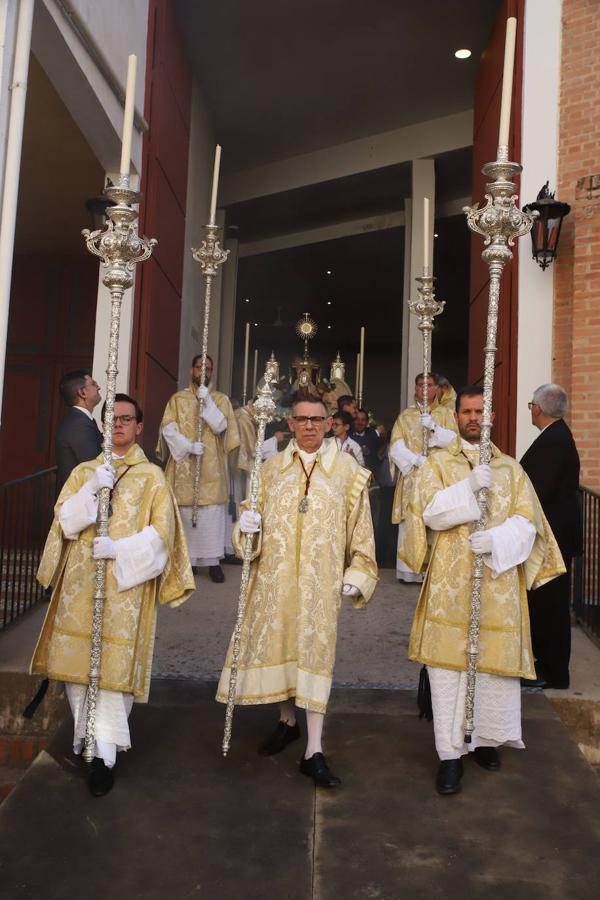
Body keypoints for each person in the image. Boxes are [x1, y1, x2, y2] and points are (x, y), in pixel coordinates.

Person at [400, 386, 564, 794]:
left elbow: (530, 523)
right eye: (467, 411)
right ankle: (450, 755)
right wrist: (469, 488)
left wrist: (498, 539)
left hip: (497, 584)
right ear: (455, 416)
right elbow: (429, 515)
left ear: (489, 418)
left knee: (492, 669)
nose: (473, 418)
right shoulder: (437, 463)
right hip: (449, 586)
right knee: (447, 671)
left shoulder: (511, 469)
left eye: (480, 412)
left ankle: (484, 740)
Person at [31, 394, 195, 797]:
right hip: (80, 585)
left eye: (127, 419)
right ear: (104, 426)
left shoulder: (151, 477)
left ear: (140, 427)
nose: (119, 424)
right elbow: (64, 524)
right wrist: (90, 493)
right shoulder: (85, 471)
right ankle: (87, 742)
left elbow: (163, 536)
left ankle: (105, 755)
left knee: (111, 676)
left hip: (124, 588)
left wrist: (120, 549)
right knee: (76, 671)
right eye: (112, 419)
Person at [216, 393, 378, 787]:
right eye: (301, 419)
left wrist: (357, 571)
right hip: (275, 578)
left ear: (328, 423)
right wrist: (246, 530)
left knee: (315, 657)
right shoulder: (268, 470)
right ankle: (287, 722)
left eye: (316, 419)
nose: (309, 425)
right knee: (282, 647)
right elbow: (246, 539)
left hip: (319, 583)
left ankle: (315, 750)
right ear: (289, 424)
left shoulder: (347, 471)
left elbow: (361, 529)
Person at [157, 354, 240, 583]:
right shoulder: (178, 399)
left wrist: (208, 404)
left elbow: (223, 427)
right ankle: (189, 562)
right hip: (185, 462)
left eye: (209, 369)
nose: (204, 373)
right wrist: (188, 446)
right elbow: (168, 427)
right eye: (199, 368)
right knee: (184, 514)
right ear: (191, 369)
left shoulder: (220, 400)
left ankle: (213, 562)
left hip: (212, 467)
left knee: (212, 514)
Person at [520, 384, 582, 689]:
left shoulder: (554, 441)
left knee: (552, 607)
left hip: (553, 538)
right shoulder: (555, 437)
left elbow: (536, 490)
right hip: (552, 535)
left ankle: (553, 673)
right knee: (544, 604)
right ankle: (544, 665)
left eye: (531, 404)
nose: (530, 408)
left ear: (538, 409)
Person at [389, 372, 456, 582]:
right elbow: (395, 445)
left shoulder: (447, 414)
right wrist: (416, 460)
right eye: (420, 385)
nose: (424, 390)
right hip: (413, 476)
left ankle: (434, 570)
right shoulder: (406, 416)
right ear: (415, 389)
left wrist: (434, 427)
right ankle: (410, 571)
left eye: (429, 385)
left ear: (437, 389)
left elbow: (456, 442)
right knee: (411, 520)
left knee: (436, 519)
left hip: (438, 477)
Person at [55, 370, 103, 493]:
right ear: (82, 392)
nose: (99, 387)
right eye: (93, 384)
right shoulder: (79, 424)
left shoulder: (80, 420)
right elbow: (93, 466)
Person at [351, 408, 381, 476]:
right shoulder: (348, 435)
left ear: (367, 423)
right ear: (353, 421)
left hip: (369, 474)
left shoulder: (372, 434)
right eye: (357, 419)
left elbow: (376, 456)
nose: (360, 422)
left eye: (363, 420)